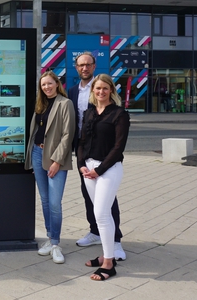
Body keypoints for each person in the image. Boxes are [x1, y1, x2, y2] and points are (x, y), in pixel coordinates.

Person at [68, 52, 126, 261]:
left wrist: (100, 167)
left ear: (94, 66)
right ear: (76, 67)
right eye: (81, 65)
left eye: (88, 65)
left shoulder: (103, 89)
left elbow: (119, 143)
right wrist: (80, 159)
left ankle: (116, 241)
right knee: (88, 195)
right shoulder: (72, 91)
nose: (84, 68)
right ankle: (94, 232)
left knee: (108, 200)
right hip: (84, 150)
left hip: (104, 150)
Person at [78, 74, 130, 281]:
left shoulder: (119, 114)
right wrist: (81, 165)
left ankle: (109, 265)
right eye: (97, 88)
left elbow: (118, 148)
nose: (101, 92)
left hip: (109, 168)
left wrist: (99, 170)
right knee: (102, 214)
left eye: (105, 89)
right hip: (88, 168)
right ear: (93, 91)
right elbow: (81, 142)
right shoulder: (89, 112)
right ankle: (107, 255)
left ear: (111, 91)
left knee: (100, 213)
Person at [24, 71, 75, 264]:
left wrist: (57, 161)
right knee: (45, 200)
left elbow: (67, 135)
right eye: (43, 85)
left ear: (57, 83)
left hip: (54, 158)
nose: (46, 87)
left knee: (55, 203)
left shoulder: (65, 103)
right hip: (37, 154)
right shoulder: (41, 104)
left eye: (49, 84)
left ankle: (56, 243)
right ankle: (49, 237)